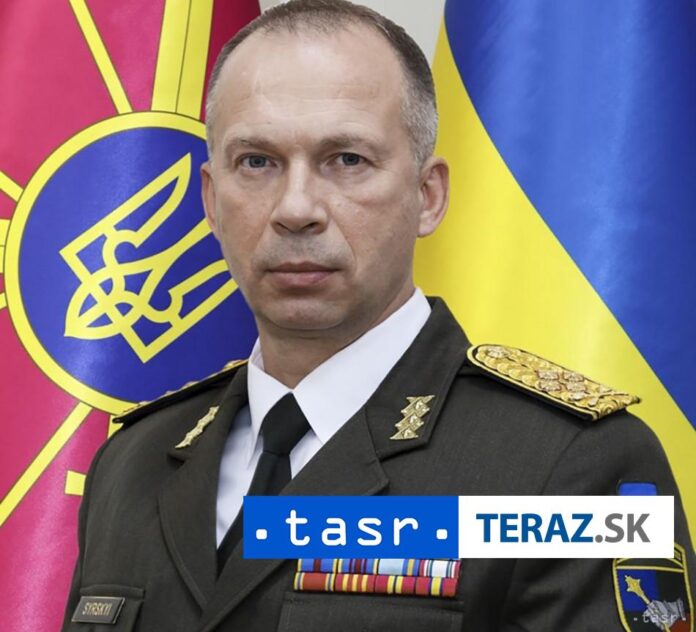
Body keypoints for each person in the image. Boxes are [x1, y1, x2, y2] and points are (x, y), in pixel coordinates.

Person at [62, 1, 694, 630]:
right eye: (257, 162)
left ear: (428, 196)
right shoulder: (132, 464)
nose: (296, 208)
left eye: (347, 160)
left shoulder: (577, 463)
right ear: (210, 200)